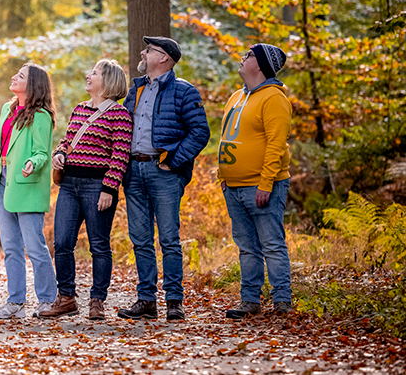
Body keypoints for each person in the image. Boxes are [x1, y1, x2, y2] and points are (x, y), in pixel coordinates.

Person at [117, 36, 210, 322]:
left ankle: (174, 301)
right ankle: (146, 300)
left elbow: (200, 132)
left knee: (169, 238)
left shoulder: (184, 91)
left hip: (164, 173)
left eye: (150, 50)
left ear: (165, 59)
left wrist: (173, 160)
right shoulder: (136, 89)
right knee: (140, 239)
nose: (143, 52)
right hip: (134, 172)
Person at [40, 59, 132, 321]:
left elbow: (120, 155)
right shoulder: (80, 109)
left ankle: (97, 300)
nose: (88, 75)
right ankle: (67, 297)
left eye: (95, 73)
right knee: (62, 242)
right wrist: (59, 154)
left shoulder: (119, 114)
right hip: (69, 184)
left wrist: (109, 188)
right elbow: (66, 142)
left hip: (97, 186)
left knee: (99, 245)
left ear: (109, 81)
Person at [218, 43, 293, 319]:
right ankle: (250, 300)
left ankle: (282, 301)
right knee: (247, 247)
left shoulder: (274, 98)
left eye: (248, 55)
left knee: (271, 244)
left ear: (260, 65)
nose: (242, 58)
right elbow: (225, 137)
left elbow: (276, 144)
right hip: (233, 187)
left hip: (262, 187)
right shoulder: (237, 96)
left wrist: (266, 183)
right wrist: (222, 176)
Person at [0, 64, 57, 318]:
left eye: (20, 76)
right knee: (11, 248)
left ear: (33, 85)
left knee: (35, 247)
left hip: (27, 186)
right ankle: (16, 302)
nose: (14, 77)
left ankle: (46, 300)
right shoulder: (7, 109)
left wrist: (33, 163)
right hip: (3, 185)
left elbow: (42, 152)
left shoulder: (41, 115)